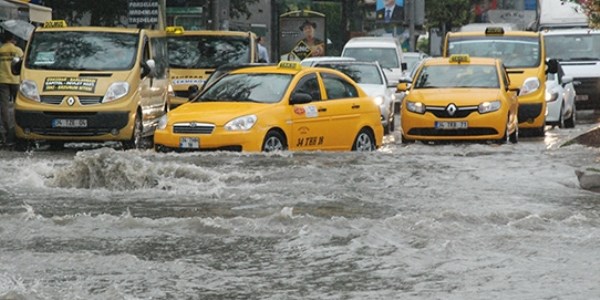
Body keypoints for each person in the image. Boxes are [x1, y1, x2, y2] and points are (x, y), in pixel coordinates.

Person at [0, 31, 23, 146]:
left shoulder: (1, 50)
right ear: (13, 39)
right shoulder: (18, 50)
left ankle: (7, 128)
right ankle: (18, 127)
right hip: (15, 80)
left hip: (2, 80)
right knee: (18, 104)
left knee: (4, 106)